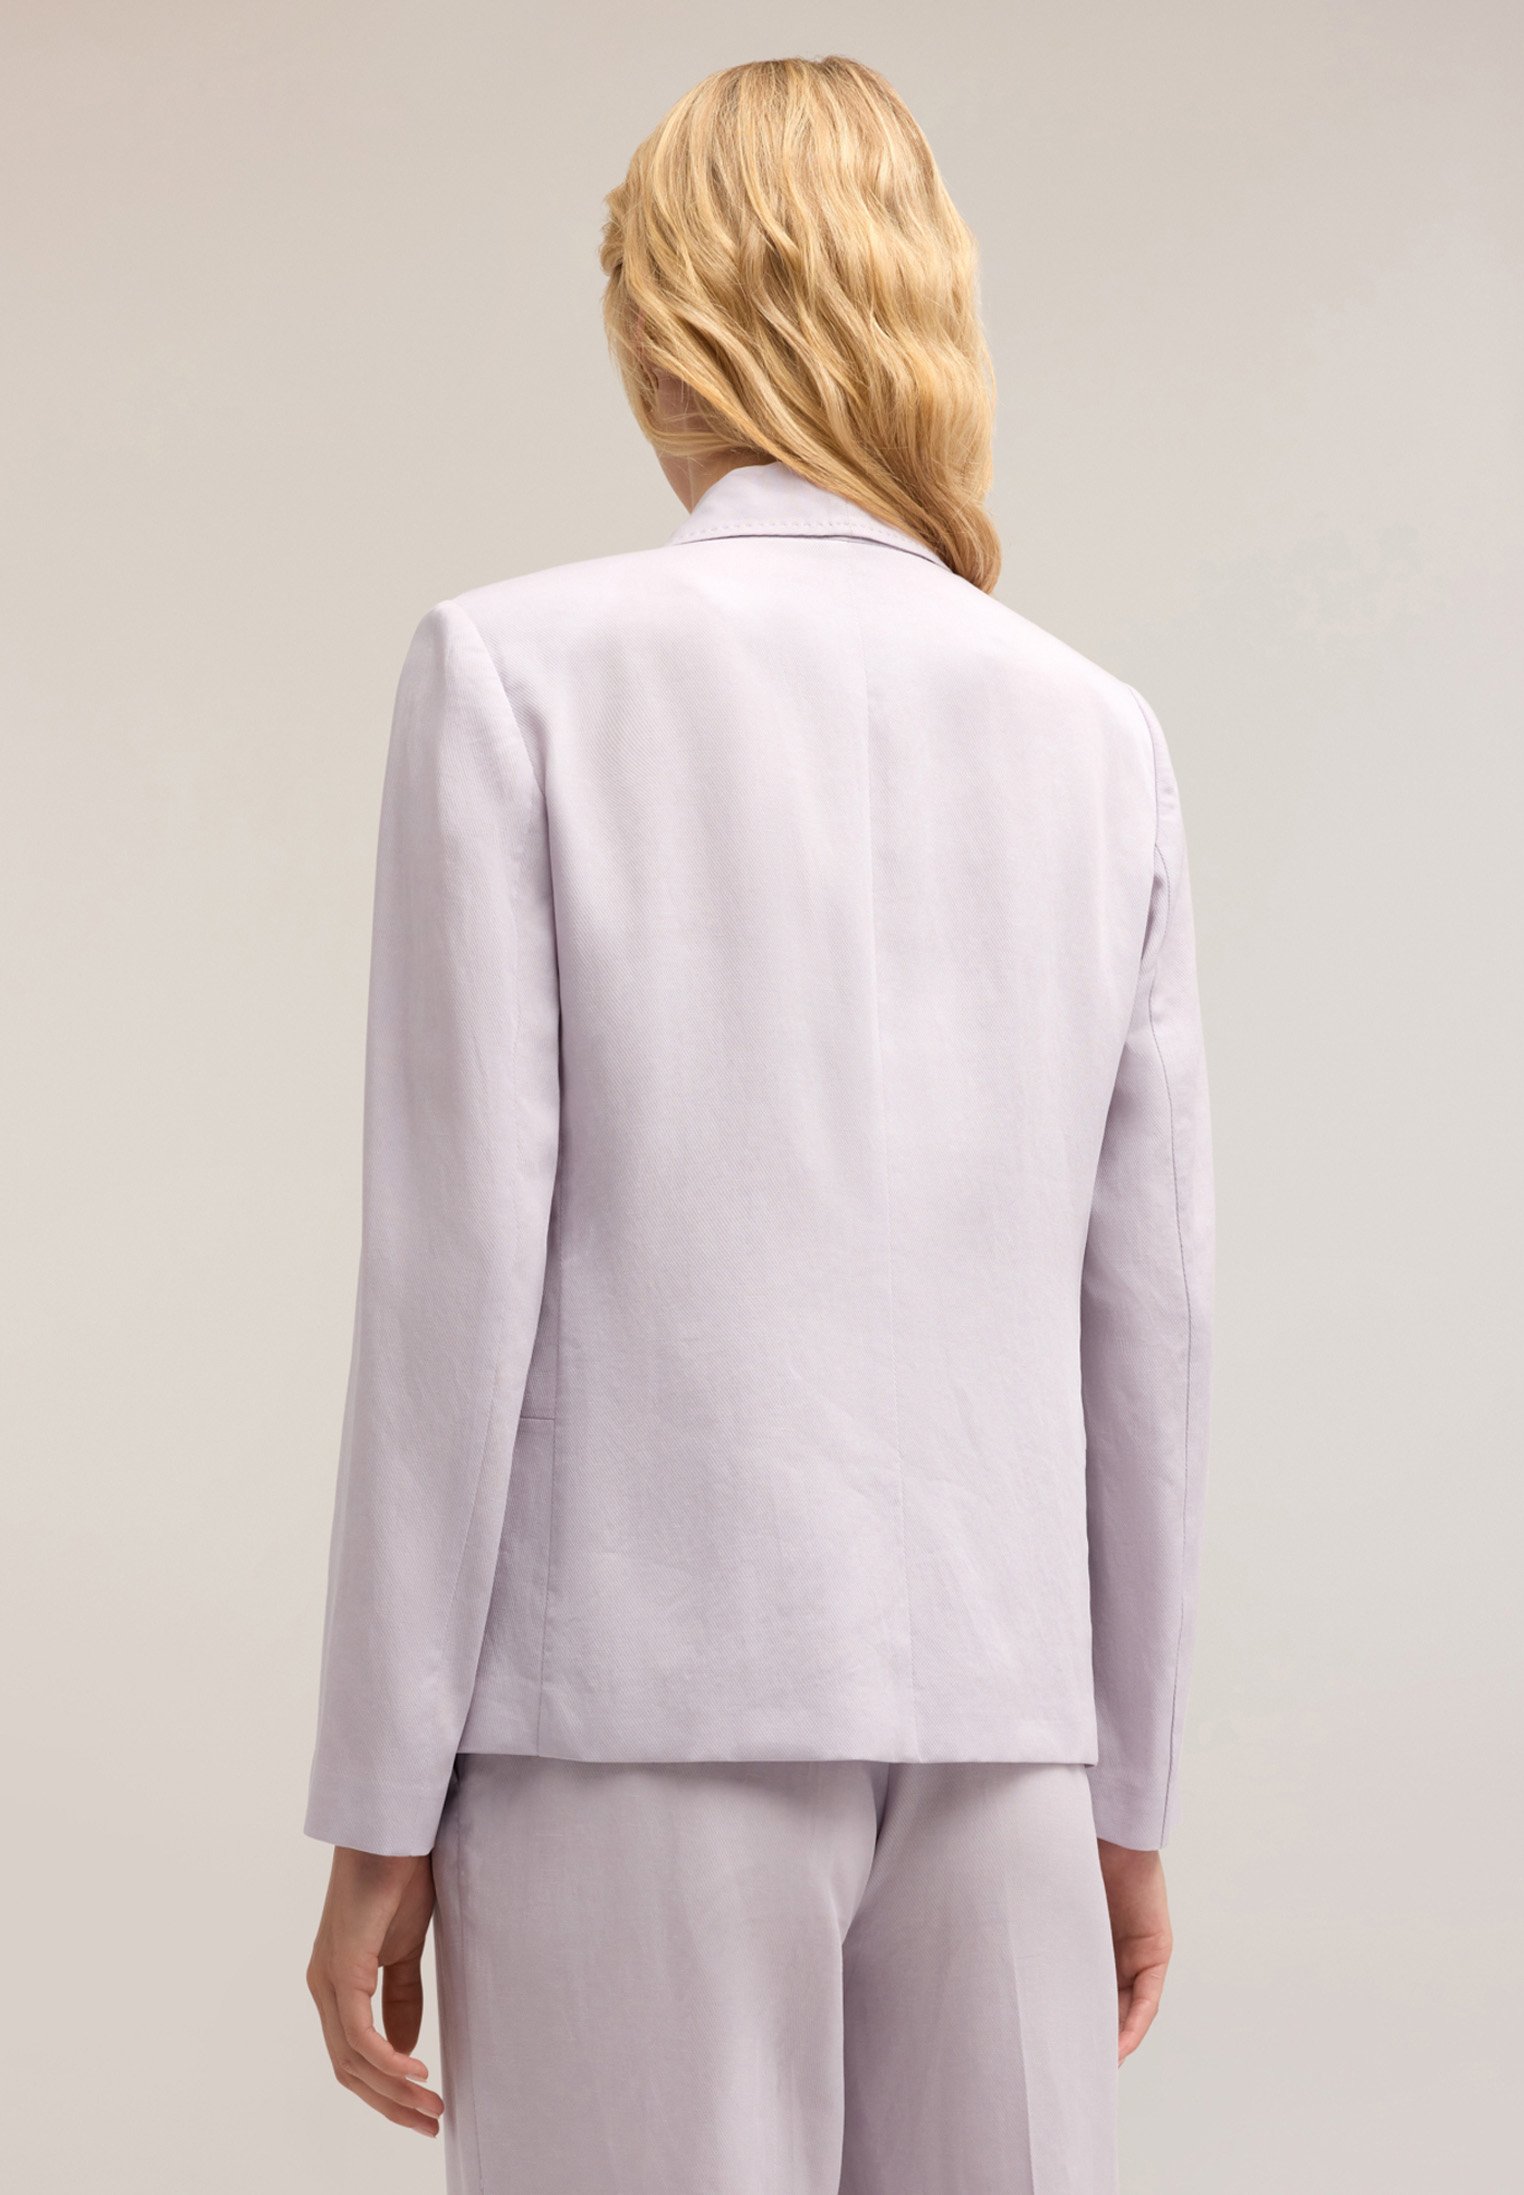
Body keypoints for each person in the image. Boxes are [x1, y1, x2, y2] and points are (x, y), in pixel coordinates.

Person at [303, 53, 1214, 2195]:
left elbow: (454, 1284)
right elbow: (1153, 1324)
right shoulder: (1101, 737)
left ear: (668, 322)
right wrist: (1130, 1789)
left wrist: (379, 1809)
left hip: (627, 1718)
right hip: (1003, 1729)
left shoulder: (515, 677)